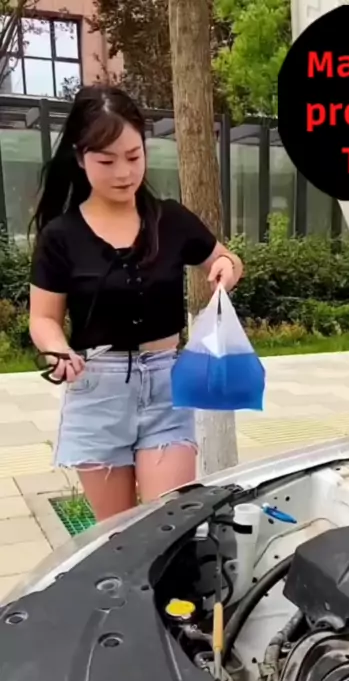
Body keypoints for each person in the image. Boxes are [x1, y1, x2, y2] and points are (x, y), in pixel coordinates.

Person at [29, 85, 243, 522]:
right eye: (107, 161)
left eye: (133, 156)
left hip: (166, 386)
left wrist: (225, 267)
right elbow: (44, 318)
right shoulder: (60, 236)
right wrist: (58, 352)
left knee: (167, 524)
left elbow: (225, 258)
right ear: (81, 158)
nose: (124, 172)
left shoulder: (171, 218)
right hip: (98, 390)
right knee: (118, 534)